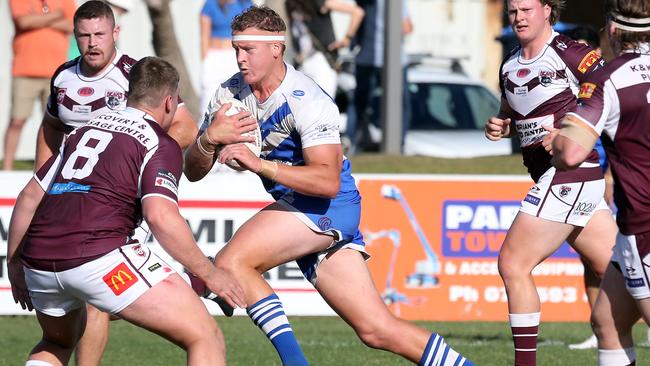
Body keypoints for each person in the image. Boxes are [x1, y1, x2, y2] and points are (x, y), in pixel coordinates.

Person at [184, 5, 474, 366]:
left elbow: (327, 181)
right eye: (237, 49)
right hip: (299, 209)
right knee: (377, 330)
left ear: (276, 48)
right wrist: (208, 140)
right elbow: (193, 172)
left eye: (249, 49)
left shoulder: (308, 99)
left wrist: (260, 164)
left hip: (329, 206)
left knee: (232, 261)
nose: (240, 59)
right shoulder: (229, 96)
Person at [6, 56, 246, 366]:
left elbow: (28, 197)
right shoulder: (158, 142)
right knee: (205, 336)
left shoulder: (82, 131)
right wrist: (210, 273)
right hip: (98, 259)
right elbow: (161, 217)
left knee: (56, 341)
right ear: (170, 102)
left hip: (38, 260)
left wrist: (15, 264)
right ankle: (197, 284)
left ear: (129, 93)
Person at [33, 2, 200, 365]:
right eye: (84, 36)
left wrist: (145, 165)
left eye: (99, 35)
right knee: (80, 305)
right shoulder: (63, 77)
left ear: (116, 33)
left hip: (115, 198)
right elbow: (49, 129)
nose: (92, 43)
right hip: (69, 195)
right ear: (75, 37)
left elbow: (184, 127)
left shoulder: (135, 75)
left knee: (93, 301)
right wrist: (45, 176)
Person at [484, 1, 617, 365]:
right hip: (558, 176)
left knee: (513, 264)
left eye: (527, 9)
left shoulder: (572, 53)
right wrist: (499, 124)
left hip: (570, 173)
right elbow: (511, 110)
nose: (519, 17)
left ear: (547, 10)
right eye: (513, 11)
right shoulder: (510, 62)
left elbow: (614, 96)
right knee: (620, 271)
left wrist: (568, 133)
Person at [551, 1, 650, 364]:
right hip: (630, 230)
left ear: (611, 30)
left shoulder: (608, 77)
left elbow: (571, 154)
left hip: (646, 224)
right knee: (607, 321)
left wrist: (559, 139)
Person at [3, 0, 76, 170]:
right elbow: (23, 22)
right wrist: (55, 16)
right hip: (24, 70)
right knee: (17, 120)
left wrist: (38, 19)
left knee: (56, 123)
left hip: (57, 73)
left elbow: (73, 26)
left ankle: (55, 166)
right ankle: (6, 168)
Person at [349, 0, 413, 153]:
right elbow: (407, 27)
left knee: (359, 104)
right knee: (400, 104)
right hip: (394, 59)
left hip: (365, 57)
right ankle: (399, 145)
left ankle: (351, 142)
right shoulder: (396, 3)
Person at [285, 0, 365, 98]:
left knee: (321, 107)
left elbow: (358, 12)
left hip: (320, 62)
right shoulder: (290, 3)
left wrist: (346, 39)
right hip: (303, 65)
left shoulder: (316, 2)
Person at [199, 0, 253, 113]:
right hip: (214, 57)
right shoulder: (210, 4)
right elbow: (204, 36)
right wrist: (205, 61)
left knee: (237, 96)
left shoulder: (246, 4)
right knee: (207, 98)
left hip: (235, 57)